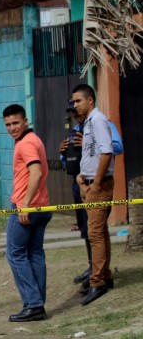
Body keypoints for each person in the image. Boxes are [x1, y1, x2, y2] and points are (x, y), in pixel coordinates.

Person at [3, 104, 52, 322]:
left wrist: (24, 204)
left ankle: (33, 304)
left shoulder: (26, 143)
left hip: (28, 208)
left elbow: (37, 173)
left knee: (15, 254)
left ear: (25, 121)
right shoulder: (34, 139)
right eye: (8, 124)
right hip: (42, 206)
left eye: (16, 123)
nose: (12, 128)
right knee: (35, 253)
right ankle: (37, 303)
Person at [72, 84, 115, 306]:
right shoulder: (88, 123)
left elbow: (107, 152)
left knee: (95, 235)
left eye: (78, 101)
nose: (75, 105)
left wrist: (96, 183)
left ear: (90, 100)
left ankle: (97, 282)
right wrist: (82, 177)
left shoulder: (97, 120)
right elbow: (92, 154)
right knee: (101, 233)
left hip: (98, 187)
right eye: (74, 102)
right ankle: (104, 277)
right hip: (88, 184)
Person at [59, 101, 92, 286]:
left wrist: (86, 142)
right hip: (76, 183)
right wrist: (63, 154)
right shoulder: (73, 133)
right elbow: (67, 161)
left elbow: (115, 147)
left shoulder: (98, 126)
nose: (75, 114)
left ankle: (99, 272)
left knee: (94, 230)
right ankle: (91, 267)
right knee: (84, 228)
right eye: (72, 112)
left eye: (77, 109)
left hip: (92, 183)